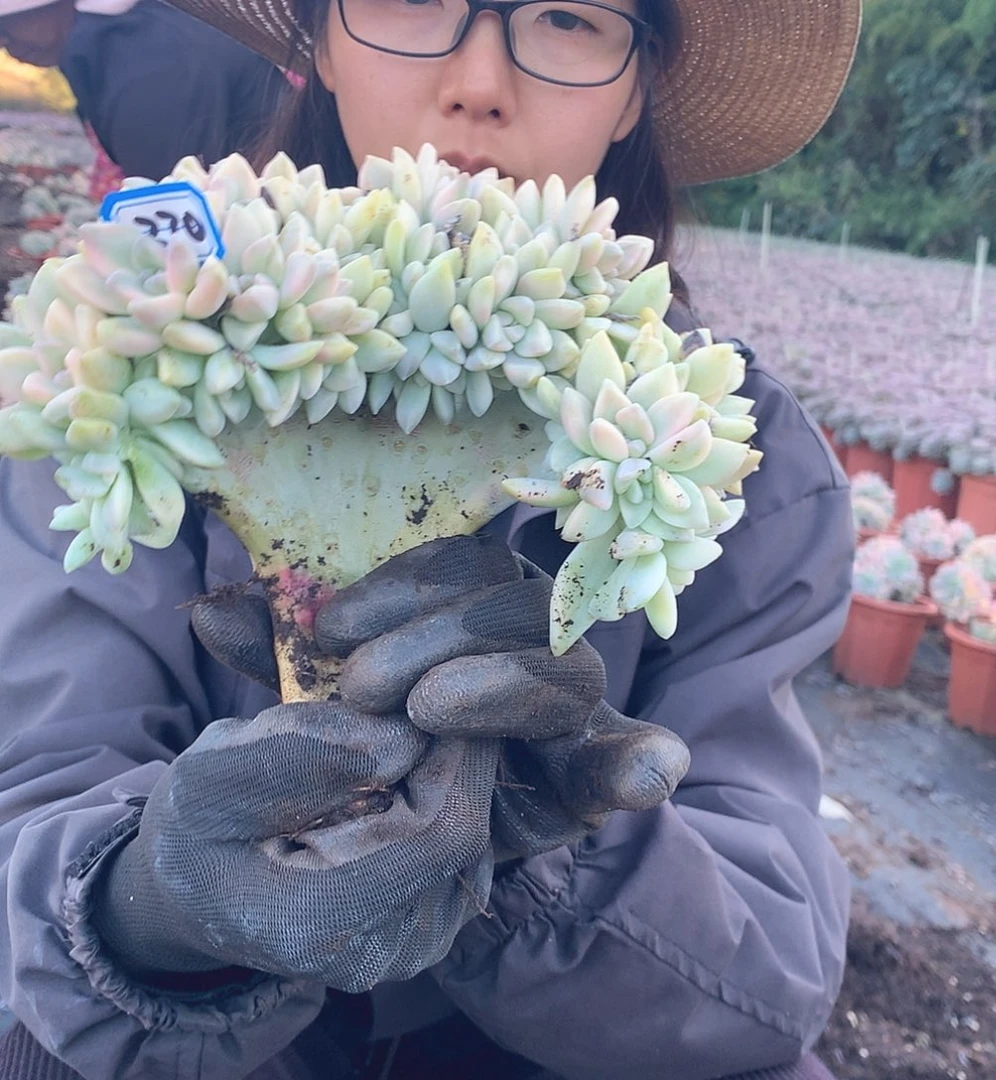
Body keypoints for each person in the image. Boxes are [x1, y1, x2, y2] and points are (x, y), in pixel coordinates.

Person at [0, 0, 861, 1077]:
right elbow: (33, 807)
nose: (479, 81)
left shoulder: (737, 448)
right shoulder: (127, 367)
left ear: (638, 84)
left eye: (566, 18)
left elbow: (773, 973)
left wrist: (540, 836)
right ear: (317, 38)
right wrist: (156, 910)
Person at [0, 0, 287, 182]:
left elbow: (170, 203)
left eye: (3, 24)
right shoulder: (118, 39)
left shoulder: (145, 59)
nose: (4, 41)